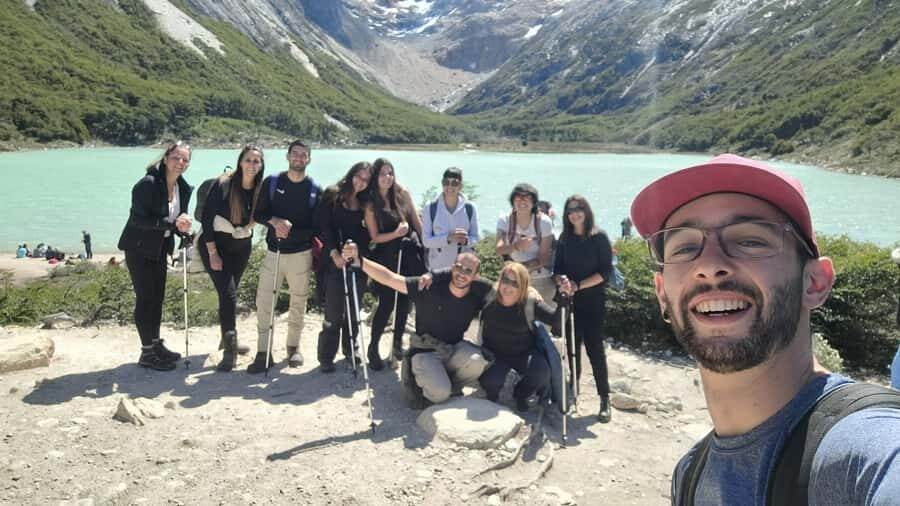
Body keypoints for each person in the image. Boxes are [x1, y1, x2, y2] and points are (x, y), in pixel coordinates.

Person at [630, 153, 900, 504]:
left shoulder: (866, 453)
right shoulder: (690, 474)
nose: (710, 266)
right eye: (685, 247)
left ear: (815, 282)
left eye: (750, 241)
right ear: (663, 293)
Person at [343, 242, 491, 406]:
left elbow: (506, 291)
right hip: (425, 352)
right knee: (440, 394)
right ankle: (426, 385)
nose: (462, 273)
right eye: (459, 267)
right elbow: (390, 278)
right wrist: (360, 260)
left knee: (478, 361)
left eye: (468, 270)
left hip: (452, 349)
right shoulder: (427, 287)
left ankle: (450, 386)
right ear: (452, 268)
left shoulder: (479, 292)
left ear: (476, 276)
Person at [117, 141, 193, 371]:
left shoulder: (184, 188)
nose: (180, 163)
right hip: (139, 247)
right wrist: (171, 224)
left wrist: (184, 231)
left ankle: (155, 343)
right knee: (145, 298)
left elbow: (179, 219)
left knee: (157, 298)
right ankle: (147, 352)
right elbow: (138, 219)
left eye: (185, 160)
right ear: (166, 157)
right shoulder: (147, 184)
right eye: (176, 158)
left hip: (160, 248)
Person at [248, 140, 321, 374]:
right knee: (264, 302)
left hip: (301, 255)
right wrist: (275, 222)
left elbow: (316, 227)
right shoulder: (272, 182)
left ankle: (293, 347)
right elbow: (258, 214)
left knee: (298, 301)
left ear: (309, 159)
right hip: (273, 253)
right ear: (287, 156)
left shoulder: (314, 189)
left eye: (303, 155)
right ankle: (263, 351)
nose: (299, 158)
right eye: (295, 154)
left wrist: (292, 230)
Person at [197, 145, 264, 372]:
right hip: (214, 245)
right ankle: (230, 350)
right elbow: (207, 220)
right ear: (240, 162)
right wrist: (213, 254)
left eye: (257, 161)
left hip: (241, 247)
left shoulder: (259, 189)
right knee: (229, 294)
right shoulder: (224, 185)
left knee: (228, 294)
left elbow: (265, 214)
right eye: (248, 160)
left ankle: (226, 338)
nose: (252, 165)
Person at [552, 195, 614, 422]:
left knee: (594, 349)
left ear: (586, 211)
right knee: (572, 348)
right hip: (570, 301)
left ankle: (604, 398)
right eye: (570, 210)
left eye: (578, 209)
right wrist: (563, 281)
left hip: (593, 301)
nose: (574, 214)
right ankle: (573, 389)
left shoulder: (598, 237)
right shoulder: (564, 238)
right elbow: (556, 269)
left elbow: (605, 272)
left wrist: (579, 285)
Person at [364, 158, 425, 370]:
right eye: (382, 174)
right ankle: (373, 347)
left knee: (404, 302)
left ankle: (397, 343)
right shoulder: (371, 204)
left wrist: (429, 246)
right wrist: (395, 233)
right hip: (386, 258)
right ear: (375, 177)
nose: (387, 177)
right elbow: (374, 237)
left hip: (407, 256)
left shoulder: (401, 195)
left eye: (390, 173)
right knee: (387, 303)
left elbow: (418, 224)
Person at [478, 262, 565, 412]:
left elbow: (557, 322)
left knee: (541, 371)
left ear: (523, 286)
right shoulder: (489, 296)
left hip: (523, 353)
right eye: (505, 280)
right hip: (494, 354)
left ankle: (521, 394)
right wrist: (430, 276)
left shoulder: (530, 302)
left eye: (515, 283)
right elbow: (465, 278)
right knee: (491, 382)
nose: (508, 287)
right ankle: (493, 394)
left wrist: (564, 297)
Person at [315, 161, 373, 373]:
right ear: (351, 174)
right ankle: (326, 356)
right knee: (333, 311)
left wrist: (356, 249)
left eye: (366, 179)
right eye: (359, 176)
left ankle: (351, 349)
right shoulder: (333, 194)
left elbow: (367, 235)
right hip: (333, 261)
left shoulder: (366, 203)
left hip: (356, 261)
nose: (361, 182)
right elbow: (323, 226)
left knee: (353, 310)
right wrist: (334, 253)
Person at [495, 183, 555, 303]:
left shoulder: (544, 222)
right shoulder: (505, 220)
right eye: (518, 198)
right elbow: (499, 249)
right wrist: (516, 246)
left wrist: (519, 270)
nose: (522, 201)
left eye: (527, 198)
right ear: (512, 201)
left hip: (540, 279)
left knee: (540, 318)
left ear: (534, 202)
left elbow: (544, 257)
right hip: (513, 280)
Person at [421, 167, 479, 271]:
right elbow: (426, 241)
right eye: (446, 182)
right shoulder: (430, 208)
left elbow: (475, 238)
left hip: (463, 270)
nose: (450, 186)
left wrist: (466, 241)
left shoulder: (470, 208)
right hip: (437, 268)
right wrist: (448, 238)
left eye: (454, 183)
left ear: (461, 186)